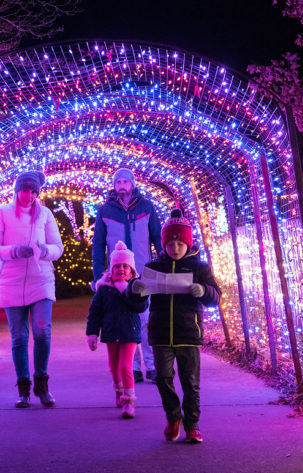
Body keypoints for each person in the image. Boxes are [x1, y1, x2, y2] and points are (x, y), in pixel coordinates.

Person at [131, 209, 221, 443]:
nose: (175, 248)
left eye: (180, 244)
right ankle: (173, 416)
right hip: (160, 332)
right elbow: (138, 304)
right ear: (164, 245)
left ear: (188, 244)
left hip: (188, 332)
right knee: (162, 377)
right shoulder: (154, 267)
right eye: (171, 244)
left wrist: (203, 291)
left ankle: (192, 424)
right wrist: (137, 291)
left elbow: (215, 296)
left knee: (190, 382)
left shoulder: (199, 268)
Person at [0, 170, 64, 408]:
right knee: (19, 336)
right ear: (17, 190)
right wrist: (14, 251)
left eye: (33, 191)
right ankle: (23, 388)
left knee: (42, 332)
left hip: (41, 281)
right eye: (25, 190)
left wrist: (44, 250)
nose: (28, 196)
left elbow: (57, 248)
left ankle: (42, 383)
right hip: (11, 282)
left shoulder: (45, 214)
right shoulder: (2, 213)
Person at [92, 168, 162, 384]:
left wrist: (163, 266)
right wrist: (98, 276)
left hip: (143, 271)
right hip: (118, 274)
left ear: (132, 184)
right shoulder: (105, 210)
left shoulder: (147, 207)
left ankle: (151, 366)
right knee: (125, 320)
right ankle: (133, 368)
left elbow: (158, 239)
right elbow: (98, 246)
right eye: (118, 181)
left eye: (125, 181)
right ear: (114, 185)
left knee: (146, 320)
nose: (121, 185)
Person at [86, 241, 148, 419]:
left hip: (130, 332)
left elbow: (141, 307)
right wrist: (92, 333)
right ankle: (119, 392)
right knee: (114, 367)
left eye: (124, 266)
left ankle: (129, 401)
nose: (120, 269)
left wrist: (129, 293)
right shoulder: (104, 290)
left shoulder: (135, 288)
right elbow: (95, 312)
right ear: (111, 270)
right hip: (111, 332)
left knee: (124, 366)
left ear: (131, 271)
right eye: (117, 266)